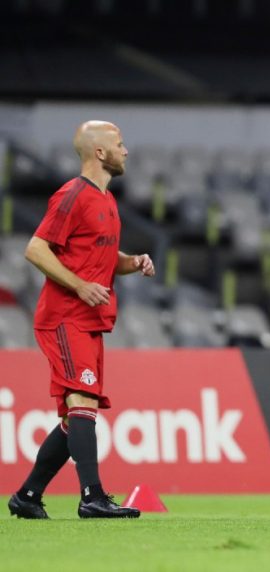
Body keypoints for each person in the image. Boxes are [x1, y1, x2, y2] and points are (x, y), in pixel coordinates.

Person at [7, 120, 152, 520]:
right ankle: (92, 496)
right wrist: (80, 285)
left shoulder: (106, 200)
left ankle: (28, 496)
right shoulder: (72, 195)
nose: (127, 150)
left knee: (75, 418)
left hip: (89, 319)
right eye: (120, 144)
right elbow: (35, 249)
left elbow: (102, 258)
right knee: (83, 400)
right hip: (64, 316)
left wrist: (132, 261)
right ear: (100, 152)